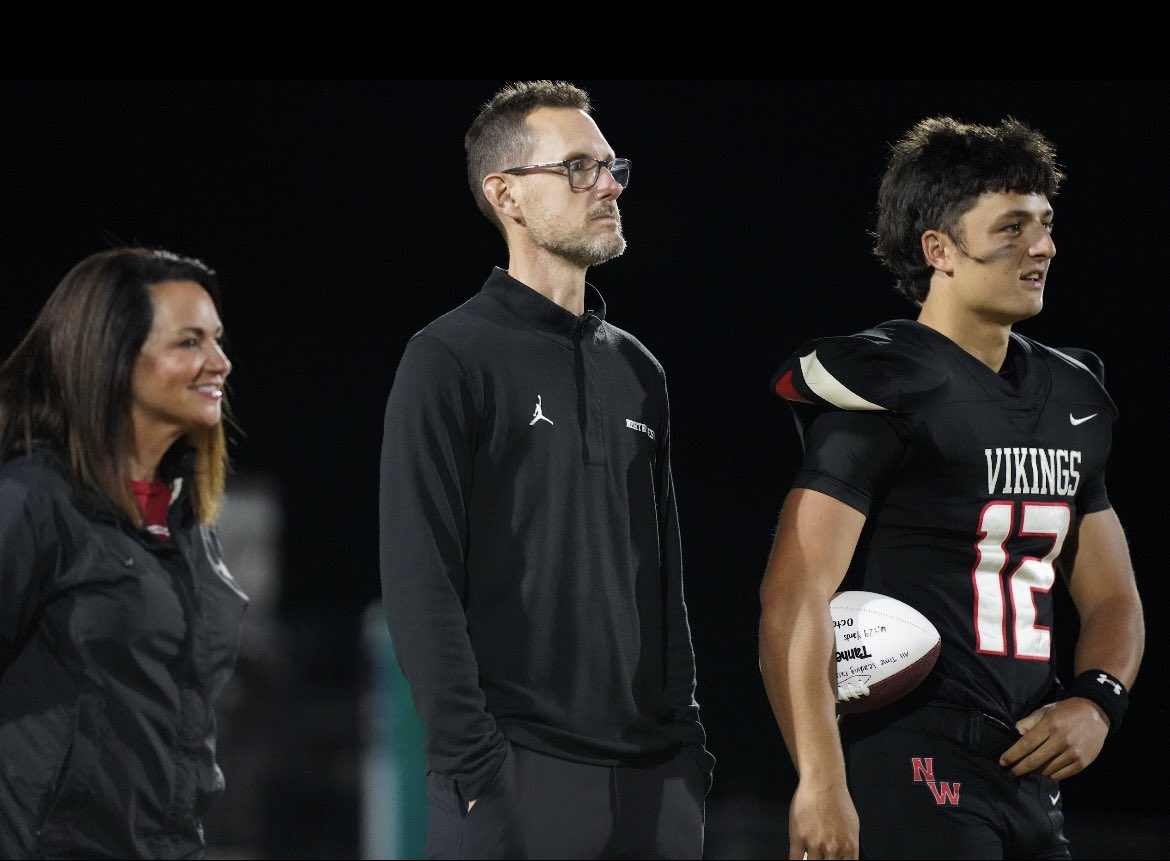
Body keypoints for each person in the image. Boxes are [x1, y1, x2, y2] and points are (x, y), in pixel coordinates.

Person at [758, 116, 1145, 860]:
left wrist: (1099, 698)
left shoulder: (1072, 392)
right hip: (910, 755)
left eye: (1045, 223)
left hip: (1029, 770)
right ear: (939, 250)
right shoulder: (886, 382)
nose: (1042, 247)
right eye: (1011, 228)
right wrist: (820, 779)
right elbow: (792, 594)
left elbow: (1112, 594)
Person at [379, 80, 714, 859]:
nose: (609, 185)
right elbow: (419, 576)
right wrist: (473, 764)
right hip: (516, 774)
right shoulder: (448, 357)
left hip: (654, 783)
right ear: (507, 196)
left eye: (610, 166)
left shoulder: (639, 370)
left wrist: (687, 753)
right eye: (577, 168)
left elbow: (665, 578)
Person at [0, 247, 249, 859]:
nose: (220, 362)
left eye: (216, 340)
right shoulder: (32, 502)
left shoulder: (188, 523)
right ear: (112, 356)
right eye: (189, 342)